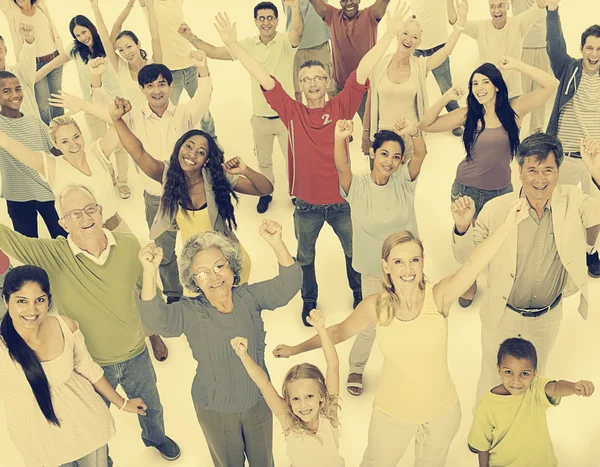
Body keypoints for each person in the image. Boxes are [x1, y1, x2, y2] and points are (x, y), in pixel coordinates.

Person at [273, 198, 530, 466]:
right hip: (392, 414)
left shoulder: (438, 296)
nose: (407, 270)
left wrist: (508, 223)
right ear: (386, 266)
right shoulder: (376, 306)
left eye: (414, 260)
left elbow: (473, 265)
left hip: (441, 412)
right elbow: (337, 332)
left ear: (422, 262)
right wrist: (296, 349)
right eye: (398, 262)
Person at [216, 3, 411, 325]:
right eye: (306, 79)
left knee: (354, 254)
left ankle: (359, 293)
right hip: (306, 206)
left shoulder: (341, 107)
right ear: (300, 86)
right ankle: (309, 300)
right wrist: (235, 45)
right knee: (305, 257)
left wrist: (389, 33)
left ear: (327, 82)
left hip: (342, 202)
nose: (313, 83)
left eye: (318, 77)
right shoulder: (292, 113)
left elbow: (363, 69)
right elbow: (263, 77)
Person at [0, 184, 182, 464]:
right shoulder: (53, 254)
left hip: (136, 354)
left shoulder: (128, 245)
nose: (84, 218)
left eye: (89, 209)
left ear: (100, 211)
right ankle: (102, 461)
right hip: (91, 365)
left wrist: (152, 272)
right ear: (62, 222)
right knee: (94, 421)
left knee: (153, 407)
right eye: (73, 214)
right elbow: (8, 238)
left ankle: (155, 438)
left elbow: (149, 297)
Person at [137, 220, 302, 467]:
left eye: (219, 266)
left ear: (232, 267)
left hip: (258, 401)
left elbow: (289, 285)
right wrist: (149, 273)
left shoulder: (249, 297)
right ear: (194, 280)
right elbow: (156, 320)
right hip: (216, 410)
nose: (213, 276)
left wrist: (277, 243)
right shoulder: (191, 312)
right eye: (202, 272)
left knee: (264, 463)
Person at [451, 133, 600, 405]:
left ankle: (525, 432)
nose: (539, 179)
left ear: (559, 171)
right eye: (532, 170)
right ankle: (484, 431)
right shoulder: (497, 209)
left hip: (547, 316)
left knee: (536, 377)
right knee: (491, 376)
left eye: (548, 170)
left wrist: (597, 173)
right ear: (519, 171)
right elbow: (467, 260)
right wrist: (462, 227)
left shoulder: (573, 199)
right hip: (502, 313)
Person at [52, 54, 213, 305]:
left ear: (171, 86)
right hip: (155, 199)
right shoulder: (132, 117)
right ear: (142, 89)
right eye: (150, 86)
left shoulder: (185, 114)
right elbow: (109, 111)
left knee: (200, 246)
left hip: (190, 197)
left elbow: (204, 96)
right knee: (165, 252)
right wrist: (95, 81)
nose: (156, 90)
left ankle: (206, 289)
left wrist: (202, 67)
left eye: (161, 84)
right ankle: (173, 295)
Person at [420, 58, 558, 306]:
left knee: (501, 242)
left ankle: (501, 282)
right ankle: (468, 282)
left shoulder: (514, 110)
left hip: (500, 193)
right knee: (468, 243)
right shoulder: (467, 114)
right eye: (475, 83)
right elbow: (425, 125)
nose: (479, 87)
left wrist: (516, 64)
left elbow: (551, 84)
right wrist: (445, 96)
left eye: (485, 81)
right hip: (466, 189)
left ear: (496, 86)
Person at [111, 96, 273, 287]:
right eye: (189, 146)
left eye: (201, 152)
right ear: (179, 148)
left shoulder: (216, 177)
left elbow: (265, 189)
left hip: (228, 263)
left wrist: (245, 170)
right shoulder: (166, 174)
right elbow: (138, 153)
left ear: (206, 160)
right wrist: (116, 120)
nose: (192, 154)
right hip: (199, 270)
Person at [0, 264, 148, 467]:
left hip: (85, 425)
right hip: (42, 442)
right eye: (21, 301)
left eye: (39, 300)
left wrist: (122, 403)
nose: (31, 310)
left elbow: (88, 369)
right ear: (6, 302)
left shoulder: (65, 326)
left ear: (48, 300)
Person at [178, 1, 303, 214]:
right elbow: (216, 52)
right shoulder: (248, 44)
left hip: (286, 117)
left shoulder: (284, 41)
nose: (266, 22)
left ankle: (297, 194)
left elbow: (298, 31)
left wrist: (295, 8)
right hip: (260, 117)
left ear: (277, 20)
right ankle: (266, 193)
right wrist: (191, 37)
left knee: (293, 160)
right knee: (264, 162)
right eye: (261, 18)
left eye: (270, 18)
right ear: (255, 22)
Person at [335, 117, 426, 396]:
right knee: (370, 322)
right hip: (374, 270)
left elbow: (421, 153)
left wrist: (413, 131)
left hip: (408, 269)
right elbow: (341, 165)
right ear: (372, 153)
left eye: (396, 157)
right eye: (384, 153)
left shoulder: (404, 181)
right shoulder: (358, 187)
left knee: (412, 320)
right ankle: (356, 367)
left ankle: (406, 369)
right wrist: (340, 138)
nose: (390, 161)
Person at [231, 308, 344, 466]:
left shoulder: (329, 413)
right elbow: (264, 385)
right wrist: (244, 357)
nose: (303, 405)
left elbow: (333, 366)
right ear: (289, 402)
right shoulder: (289, 422)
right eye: (296, 399)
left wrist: (321, 329)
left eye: (309, 396)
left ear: (322, 396)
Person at [468, 337, 595, 466]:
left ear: (534, 374)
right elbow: (482, 445)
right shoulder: (487, 405)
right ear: (499, 369)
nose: (516, 381)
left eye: (524, 374)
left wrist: (574, 387)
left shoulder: (535, 388)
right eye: (508, 372)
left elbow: (556, 388)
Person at [361, 4, 466, 156]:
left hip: (410, 142)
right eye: (405, 33)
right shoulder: (380, 65)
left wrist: (460, 24)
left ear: (419, 43)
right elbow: (369, 102)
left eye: (415, 37)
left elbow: (446, 50)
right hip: (382, 141)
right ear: (398, 35)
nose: (409, 39)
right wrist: (365, 133)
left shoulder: (420, 66)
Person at [0, 115, 130, 233]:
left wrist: (85, 106)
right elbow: (7, 143)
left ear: (81, 134)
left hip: (117, 229)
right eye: (65, 141)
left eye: (76, 136)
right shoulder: (52, 166)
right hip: (83, 240)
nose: (74, 145)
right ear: (56, 145)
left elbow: (119, 121)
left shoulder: (97, 153)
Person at [545, 0, 600, 277]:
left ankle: (590, 251)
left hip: (594, 162)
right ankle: (555, 247)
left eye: (599, 49)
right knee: (555, 205)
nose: (594, 53)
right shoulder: (568, 69)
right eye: (589, 47)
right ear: (581, 50)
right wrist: (552, 12)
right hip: (564, 156)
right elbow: (554, 47)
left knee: (596, 212)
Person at [64, 14, 131, 199]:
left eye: (84, 31)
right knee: (101, 148)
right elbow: (54, 63)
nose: (83, 37)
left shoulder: (107, 44)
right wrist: (32, 78)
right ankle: (110, 179)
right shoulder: (75, 51)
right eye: (78, 35)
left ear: (91, 28)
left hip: (114, 104)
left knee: (120, 146)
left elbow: (118, 23)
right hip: (90, 106)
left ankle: (123, 181)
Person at [0, 70, 66, 239]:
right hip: (18, 196)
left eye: (18, 89)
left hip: (48, 191)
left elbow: (57, 151)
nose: (15, 95)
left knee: (66, 240)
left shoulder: (34, 121)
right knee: (30, 248)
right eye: (6, 91)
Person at [308, 0, 391, 122]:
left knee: (372, 131)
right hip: (341, 88)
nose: (348, 3)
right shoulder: (332, 16)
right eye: (344, 0)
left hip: (365, 89)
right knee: (336, 130)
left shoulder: (370, 15)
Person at [447, 0, 549, 99]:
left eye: (501, 5)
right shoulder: (480, 28)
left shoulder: (518, 23)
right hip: (489, 96)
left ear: (508, 6)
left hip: (513, 95)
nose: (497, 10)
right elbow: (455, 22)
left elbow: (540, 6)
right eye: (493, 6)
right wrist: (460, 14)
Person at [148, 0, 217, 138]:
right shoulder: (149, 4)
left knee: (204, 111)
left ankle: (212, 141)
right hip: (170, 73)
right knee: (169, 115)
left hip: (191, 67)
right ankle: (173, 145)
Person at [0, 0, 64, 125]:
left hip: (54, 57)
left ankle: (63, 130)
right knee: (43, 105)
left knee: (57, 100)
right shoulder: (12, 11)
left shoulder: (40, 5)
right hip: (34, 64)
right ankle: (49, 134)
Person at [91, 0, 162, 110]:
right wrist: (95, 8)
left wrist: (149, 6)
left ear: (138, 44)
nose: (126, 53)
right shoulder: (121, 68)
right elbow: (106, 41)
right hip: (134, 122)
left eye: (129, 46)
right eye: (121, 50)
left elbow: (156, 37)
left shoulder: (154, 64)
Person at [409, 0, 463, 137]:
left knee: (446, 87)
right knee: (412, 87)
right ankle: (413, 122)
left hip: (439, 47)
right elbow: (413, 16)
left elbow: (453, 19)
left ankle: (455, 120)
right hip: (417, 48)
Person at [510, 0, 553, 134]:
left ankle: (536, 129)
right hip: (522, 45)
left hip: (544, 43)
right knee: (520, 91)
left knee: (541, 89)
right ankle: (514, 127)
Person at [282, 0, 335, 101]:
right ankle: (300, 116)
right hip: (295, 45)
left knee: (330, 87)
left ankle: (335, 116)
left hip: (319, 42)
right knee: (297, 89)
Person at [0, 25, 38, 117]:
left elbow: (28, 55)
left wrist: (29, 39)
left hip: (32, 128)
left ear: (5, 50)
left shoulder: (20, 72)